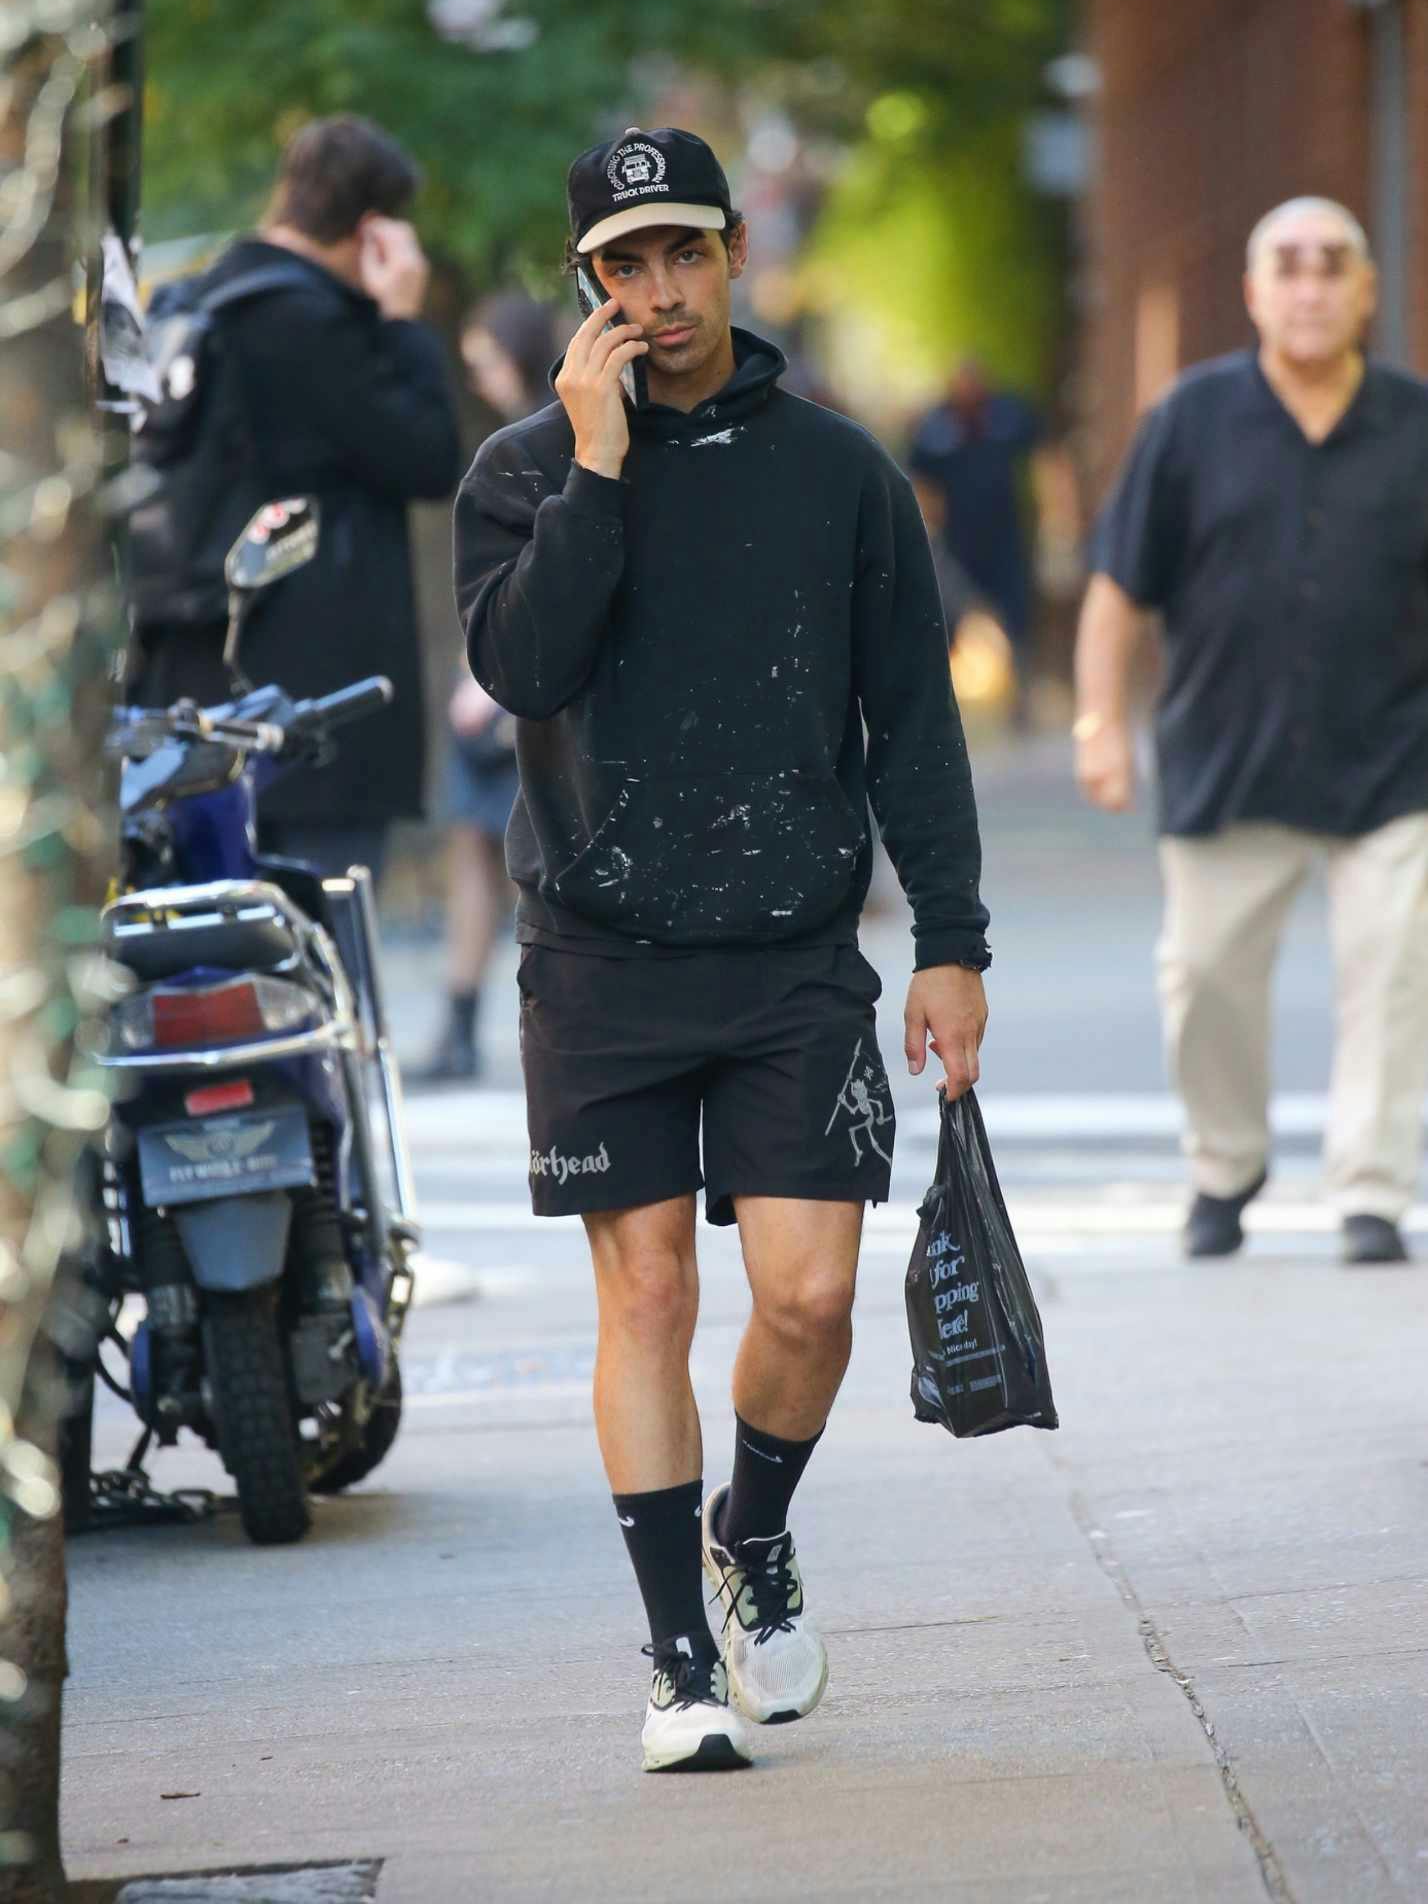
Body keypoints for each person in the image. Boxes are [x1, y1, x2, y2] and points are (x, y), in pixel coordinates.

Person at [455, 127, 991, 1773]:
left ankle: (748, 1536)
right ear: (588, 284)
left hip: (789, 954)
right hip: (598, 958)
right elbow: (526, 672)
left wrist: (951, 942)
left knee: (813, 1296)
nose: (661, 289)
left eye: (684, 251)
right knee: (648, 1290)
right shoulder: (521, 475)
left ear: (735, 249)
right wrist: (598, 465)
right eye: (626, 264)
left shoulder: (836, 471)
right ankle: (679, 1664)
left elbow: (909, 719)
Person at [1075, 196, 1428, 1268]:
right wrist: (1099, 721)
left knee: (1398, 969)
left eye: (1335, 265)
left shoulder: (1417, 423)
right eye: (1290, 265)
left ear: (1368, 290)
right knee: (1206, 978)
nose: (1312, 284)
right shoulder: (1189, 417)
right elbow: (1117, 588)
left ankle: (1369, 1187)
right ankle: (1225, 1164)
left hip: (1395, 757)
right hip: (1227, 753)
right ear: (1254, 290)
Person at [126, 114, 462, 880]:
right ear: (374, 230)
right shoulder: (312, 325)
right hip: (309, 713)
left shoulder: (195, 303)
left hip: (187, 692)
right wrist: (403, 320)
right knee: (315, 954)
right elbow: (429, 457)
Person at [409, 295, 557, 1085]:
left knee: (501, 857)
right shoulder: (546, 433)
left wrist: (487, 687)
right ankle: (465, 1018)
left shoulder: (536, 444)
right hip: (504, 689)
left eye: (484, 354)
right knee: (485, 854)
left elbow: (527, 587)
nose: (476, 369)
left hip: (512, 695)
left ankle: (475, 1022)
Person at [907, 357, 1044, 726]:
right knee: (944, 621)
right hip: (957, 544)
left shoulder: (1009, 415)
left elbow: (1043, 461)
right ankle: (937, 707)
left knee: (1017, 621)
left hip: (1007, 539)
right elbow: (920, 481)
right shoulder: (935, 425)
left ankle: (1021, 706)